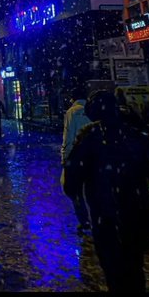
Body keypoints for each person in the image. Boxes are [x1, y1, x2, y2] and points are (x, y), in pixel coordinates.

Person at [65, 89, 149, 292]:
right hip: (136, 215)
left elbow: (71, 183)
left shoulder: (89, 141)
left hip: (106, 217)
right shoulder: (136, 137)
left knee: (114, 273)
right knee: (134, 269)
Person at [61, 85, 91, 233]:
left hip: (77, 155)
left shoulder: (71, 113)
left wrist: (65, 157)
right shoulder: (92, 110)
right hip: (93, 155)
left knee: (75, 190)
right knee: (92, 187)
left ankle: (84, 219)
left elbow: (68, 137)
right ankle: (95, 217)